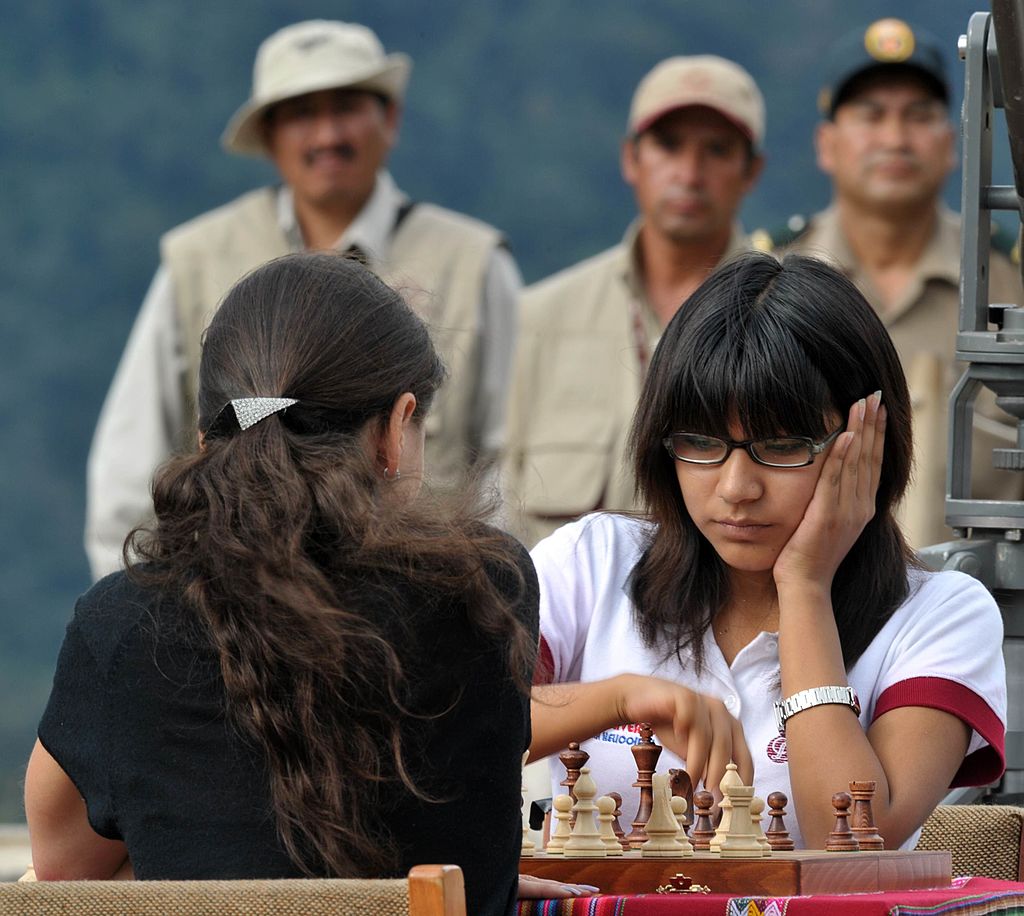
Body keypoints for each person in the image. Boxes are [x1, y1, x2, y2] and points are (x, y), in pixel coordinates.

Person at [27, 254, 539, 916]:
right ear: (395, 426)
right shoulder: (487, 586)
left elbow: (65, 868)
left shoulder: (119, 625)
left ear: (209, 435)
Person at [529, 252, 1006, 851]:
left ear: (866, 444)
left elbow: (856, 839)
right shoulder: (592, 562)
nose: (736, 489)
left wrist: (805, 587)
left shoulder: (942, 615)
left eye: (782, 447)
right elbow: (456, 735)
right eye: (701, 443)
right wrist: (618, 698)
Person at [86, 19, 521, 580]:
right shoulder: (196, 259)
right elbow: (130, 460)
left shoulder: (474, 261)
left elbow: (510, 451)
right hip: (238, 605)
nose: (327, 135)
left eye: (346, 107)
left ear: (389, 118)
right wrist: (138, 611)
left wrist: (486, 599)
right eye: (301, 114)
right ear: (270, 136)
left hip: (420, 596)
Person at [776, 17, 1024, 549]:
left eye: (918, 116)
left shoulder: (1011, 283)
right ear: (826, 143)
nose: (894, 138)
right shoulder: (767, 287)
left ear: (952, 140)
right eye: (871, 115)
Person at [502, 54, 765, 547]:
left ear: (751, 171)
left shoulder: (790, 317)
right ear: (631, 158)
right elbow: (498, 504)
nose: (689, 172)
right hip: (568, 622)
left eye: (716, 149)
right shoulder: (538, 318)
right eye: (668, 146)